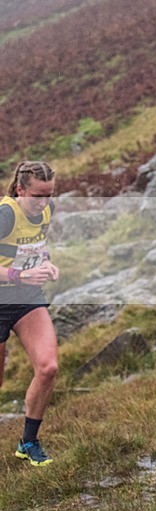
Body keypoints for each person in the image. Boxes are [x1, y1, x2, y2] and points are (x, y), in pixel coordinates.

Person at [0, 161, 60, 465]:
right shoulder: (6, 214)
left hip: (26, 300)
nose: (44, 202)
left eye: (49, 195)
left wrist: (46, 264)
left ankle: (29, 442)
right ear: (20, 189)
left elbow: (35, 247)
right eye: (38, 196)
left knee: (48, 367)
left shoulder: (44, 211)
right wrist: (18, 276)